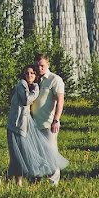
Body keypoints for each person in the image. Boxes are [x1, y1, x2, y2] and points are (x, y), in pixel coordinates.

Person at [31, 53, 67, 184]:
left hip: (49, 123)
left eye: (42, 65)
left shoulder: (54, 79)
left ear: (48, 65)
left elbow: (60, 101)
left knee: (51, 153)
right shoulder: (34, 79)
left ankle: (53, 182)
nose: (39, 68)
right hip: (35, 123)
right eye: (37, 65)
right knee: (37, 153)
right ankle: (36, 179)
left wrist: (56, 120)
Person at [6, 64, 39, 186]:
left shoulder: (29, 87)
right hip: (15, 125)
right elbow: (26, 101)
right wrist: (36, 90)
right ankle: (16, 181)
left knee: (19, 154)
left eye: (32, 73)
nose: (29, 75)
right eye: (27, 73)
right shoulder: (22, 85)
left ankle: (10, 181)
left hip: (23, 126)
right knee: (16, 154)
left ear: (35, 75)